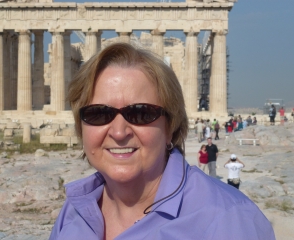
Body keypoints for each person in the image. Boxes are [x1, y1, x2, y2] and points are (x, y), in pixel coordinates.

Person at [49, 43, 275, 240]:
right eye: (98, 114)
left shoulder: (229, 219)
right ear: (81, 126)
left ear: (170, 127)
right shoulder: (74, 211)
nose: (119, 132)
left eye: (141, 113)